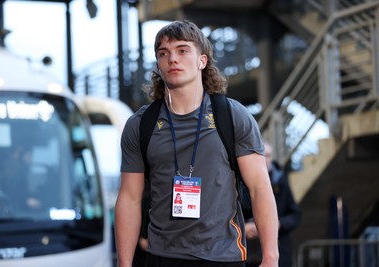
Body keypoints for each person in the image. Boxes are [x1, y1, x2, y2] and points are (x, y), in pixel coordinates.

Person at [115, 20, 279, 267]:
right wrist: (124, 264)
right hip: (163, 257)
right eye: (164, 53)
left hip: (223, 256)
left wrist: (271, 257)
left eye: (182, 50)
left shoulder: (233, 116)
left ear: (202, 61)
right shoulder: (140, 125)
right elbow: (129, 198)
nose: (172, 59)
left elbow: (260, 188)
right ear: (158, 65)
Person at [245, 142, 301, 267]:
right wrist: (244, 228)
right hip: (247, 253)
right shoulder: (241, 181)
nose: (265, 160)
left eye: (268, 155)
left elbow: (295, 215)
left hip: (278, 251)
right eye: (261, 155)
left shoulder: (280, 181)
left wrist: (278, 224)